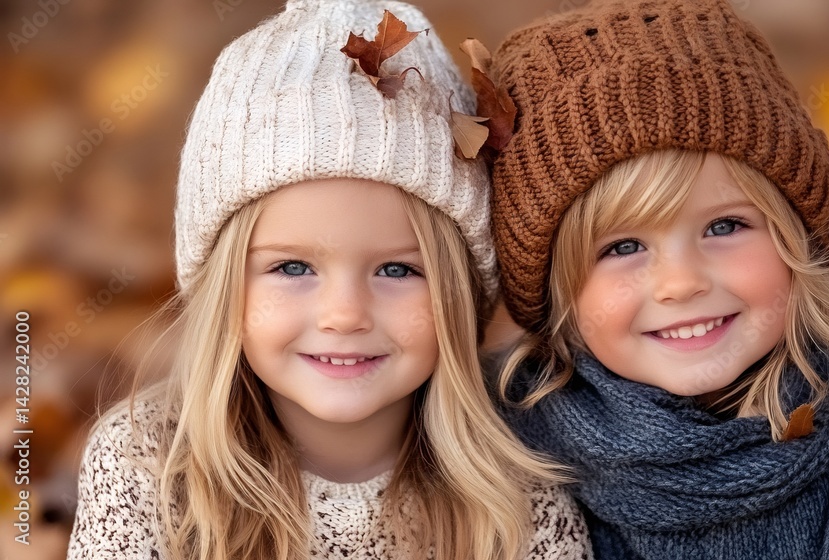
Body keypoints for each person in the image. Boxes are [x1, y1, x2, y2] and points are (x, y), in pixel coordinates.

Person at [67, 0, 593, 558]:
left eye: (397, 269)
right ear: (224, 288)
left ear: (459, 292)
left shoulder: (514, 497)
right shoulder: (147, 467)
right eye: (292, 267)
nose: (344, 314)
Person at [487, 0, 829, 558]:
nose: (681, 281)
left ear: (795, 238)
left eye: (723, 226)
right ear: (555, 293)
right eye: (623, 247)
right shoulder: (516, 424)